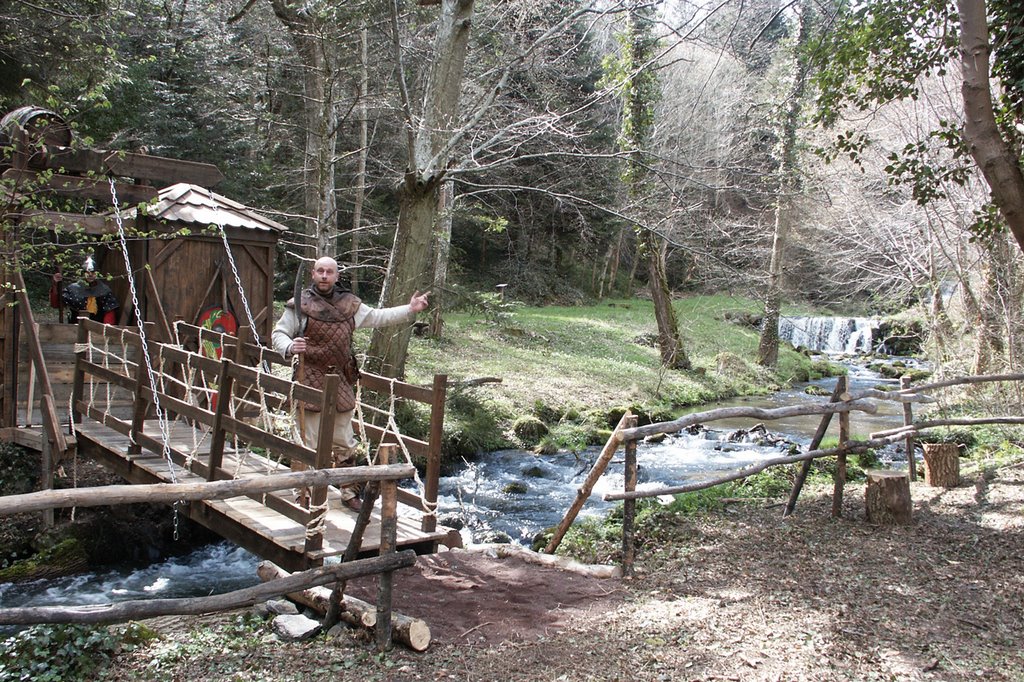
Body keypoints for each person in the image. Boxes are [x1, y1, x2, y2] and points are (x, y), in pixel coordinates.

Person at [272, 256, 430, 512]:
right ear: (313, 274)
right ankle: (305, 493)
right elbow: (278, 333)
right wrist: (290, 346)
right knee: (307, 440)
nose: (324, 275)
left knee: (344, 441)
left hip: (341, 378)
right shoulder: (300, 305)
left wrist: (410, 309)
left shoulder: (349, 305)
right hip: (309, 377)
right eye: (320, 271)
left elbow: (379, 317)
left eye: (329, 272)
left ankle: (348, 491)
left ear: (336, 276)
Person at [50, 256, 119, 324]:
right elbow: (56, 304)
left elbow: (109, 313)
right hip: (75, 327)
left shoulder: (104, 290)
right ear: (82, 273)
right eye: (87, 272)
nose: (90, 275)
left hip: (97, 328)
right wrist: (55, 285)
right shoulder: (73, 289)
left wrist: (105, 331)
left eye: (93, 272)